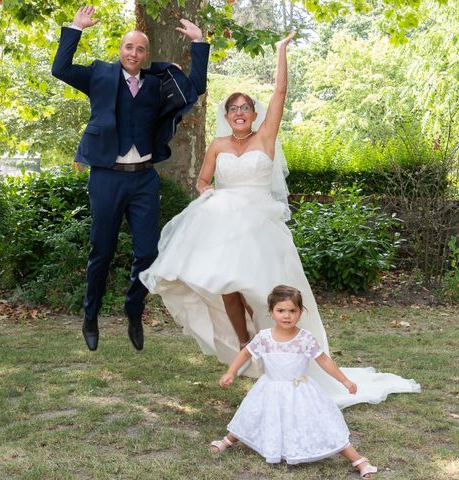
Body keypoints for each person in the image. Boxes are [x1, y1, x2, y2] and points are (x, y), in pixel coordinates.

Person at [140, 33, 420, 407]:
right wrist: (208, 193)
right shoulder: (218, 146)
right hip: (225, 224)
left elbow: (281, 94)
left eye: (246, 108)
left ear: (254, 114)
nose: (239, 113)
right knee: (227, 283)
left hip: (260, 225)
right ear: (227, 117)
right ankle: (244, 345)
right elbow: (203, 179)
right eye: (233, 109)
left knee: (269, 290)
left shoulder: (265, 137)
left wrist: (280, 52)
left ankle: (288, 354)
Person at [51, 6, 209, 352]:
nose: (133, 53)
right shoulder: (100, 76)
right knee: (101, 251)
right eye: (128, 47)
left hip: (143, 180)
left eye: (140, 49)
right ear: (120, 50)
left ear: (145, 55)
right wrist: (75, 29)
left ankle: (133, 309)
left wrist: (199, 44)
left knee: (148, 252)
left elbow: (195, 88)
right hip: (107, 177)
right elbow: (60, 68)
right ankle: (90, 316)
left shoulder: (156, 84)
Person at [210, 286, 378, 478]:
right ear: (271, 312)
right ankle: (227, 440)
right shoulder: (264, 337)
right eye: (281, 310)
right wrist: (231, 372)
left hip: (300, 391)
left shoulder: (304, 338)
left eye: (292, 311)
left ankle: (358, 460)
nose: (287, 316)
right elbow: (246, 352)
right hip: (269, 388)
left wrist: (345, 380)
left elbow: (323, 360)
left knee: (321, 424)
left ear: (301, 312)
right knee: (252, 415)